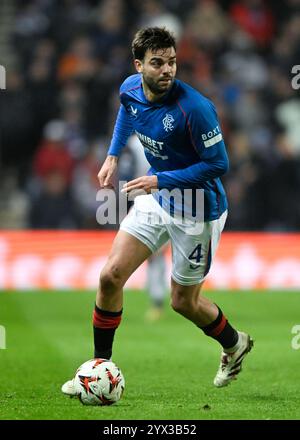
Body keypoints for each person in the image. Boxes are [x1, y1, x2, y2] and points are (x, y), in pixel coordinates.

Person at [62, 27, 253, 395]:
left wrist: (159, 180)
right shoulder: (130, 87)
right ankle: (98, 368)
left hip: (198, 208)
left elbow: (219, 165)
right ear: (139, 65)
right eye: (157, 63)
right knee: (110, 276)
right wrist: (113, 154)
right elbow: (127, 113)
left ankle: (234, 343)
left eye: (172, 62)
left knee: (183, 302)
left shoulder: (194, 108)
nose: (167, 70)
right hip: (158, 197)